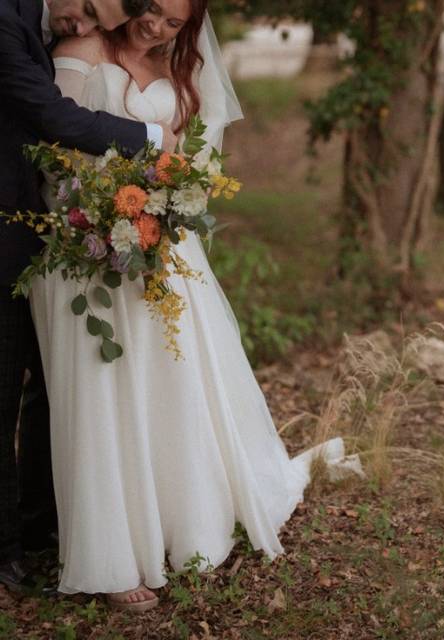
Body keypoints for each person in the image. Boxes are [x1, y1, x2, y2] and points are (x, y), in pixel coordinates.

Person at [29, 0, 346, 613]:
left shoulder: (182, 74)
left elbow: (199, 165)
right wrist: (100, 215)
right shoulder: (80, 53)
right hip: (85, 253)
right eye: (150, 10)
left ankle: (183, 521)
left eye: (173, 23)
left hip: (165, 251)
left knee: (172, 387)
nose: (156, 27)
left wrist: (167, 205)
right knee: (103, 396)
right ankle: (114, 555)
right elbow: (52, 149)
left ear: (187, 28)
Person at [0, 0, 175, 598]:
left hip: (48, 234)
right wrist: (152, 140)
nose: (85, 27)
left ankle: (46, 530)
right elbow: (51, 115)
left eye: (97, 23)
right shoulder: (7, 17)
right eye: (86, 10)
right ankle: (7, 554)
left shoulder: (56, 26)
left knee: (54, 392)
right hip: (12, 228)